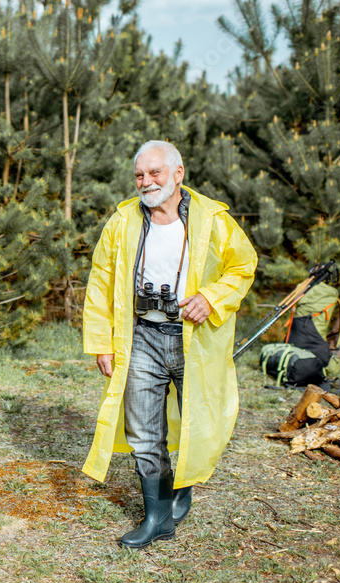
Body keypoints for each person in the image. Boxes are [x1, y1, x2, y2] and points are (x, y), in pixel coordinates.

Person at [81, 140, 257, 549]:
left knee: (199, 419)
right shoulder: (122, 221)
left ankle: (185, 485)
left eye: (155, 172)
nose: (146, 181)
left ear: (178, 174)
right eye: (140, 175)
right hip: (140, 335)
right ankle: (157, 517)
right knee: (142, 427)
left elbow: (243, 264)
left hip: (192, 340)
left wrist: (212, 296)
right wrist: (101, 342)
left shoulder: (212, 219)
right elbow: (100, 283)